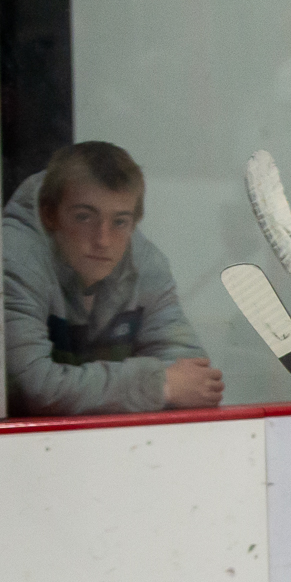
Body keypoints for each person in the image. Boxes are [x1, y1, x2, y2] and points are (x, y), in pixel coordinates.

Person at [4, 141, 221, 416]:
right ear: (50, 215)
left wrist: (89, 391)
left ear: (134, 222)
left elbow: (194, 379)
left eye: (119, 222)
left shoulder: (145, 264)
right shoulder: (13, 259)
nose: (103, 239)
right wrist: (158, 385)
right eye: (84, 217)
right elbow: (33, 388)